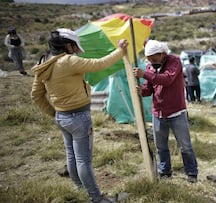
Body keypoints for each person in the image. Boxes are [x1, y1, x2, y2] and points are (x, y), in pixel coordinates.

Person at [31, 28, 129, 203]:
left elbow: (36, 95)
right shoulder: (69, 61)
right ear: (67, 45)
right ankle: (96, 198)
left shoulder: (45, 63)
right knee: (84, 160)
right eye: (75, 46)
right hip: (79, 117)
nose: (76, 50)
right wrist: (120, 51)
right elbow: (99, 64)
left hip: (62, 117)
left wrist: (53, 112)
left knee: (71, 155)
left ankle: (79, 188)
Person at [133, 40, 198, 183]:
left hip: (176, 112)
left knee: (185, 145)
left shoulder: (174, 61)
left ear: (162, 54)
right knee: (161, 146)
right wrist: (141, 91)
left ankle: (191, 172)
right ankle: (165, 171)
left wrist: (144, 74)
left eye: (154, 58)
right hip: (158, 113)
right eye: (149, 59)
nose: (151, 61)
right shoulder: (150, 67)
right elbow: (149, 89)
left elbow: (167, 79)